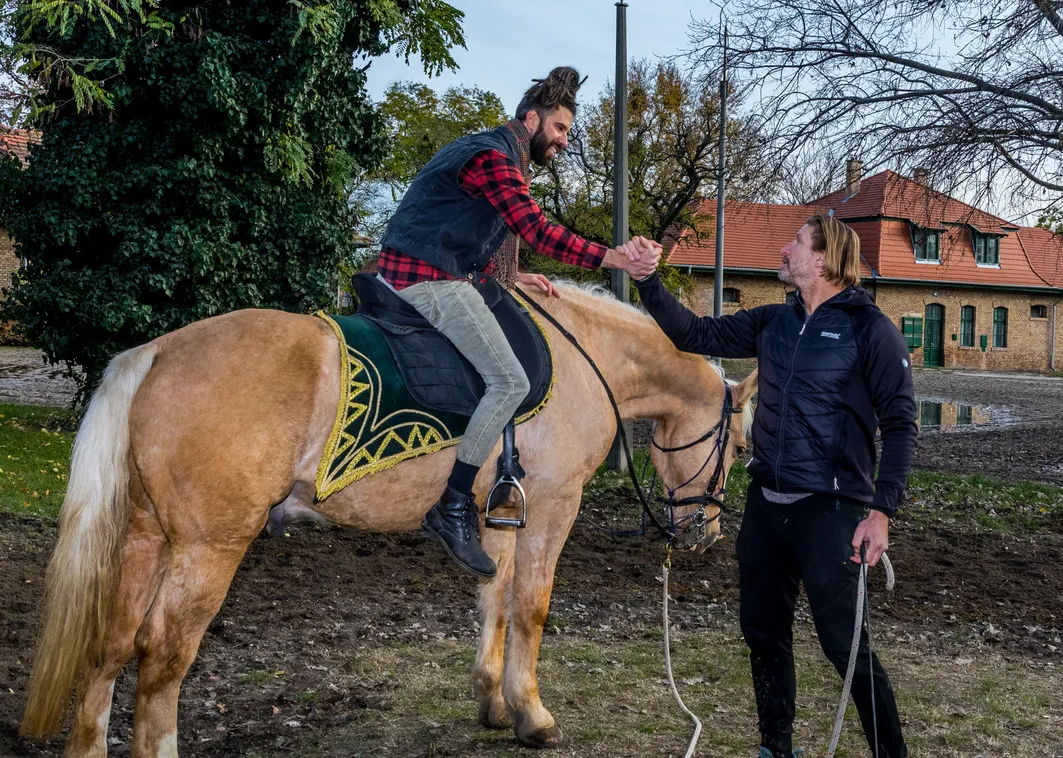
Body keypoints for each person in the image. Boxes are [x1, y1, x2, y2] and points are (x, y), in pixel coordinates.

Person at [632, 215, 917, 758]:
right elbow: (694, 333)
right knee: (762, 634)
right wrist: (649, 281)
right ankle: (776, 747)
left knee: (845, 645)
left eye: (796, 243)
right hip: (767, 503)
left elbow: (902, 424)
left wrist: (881, 511)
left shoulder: (871, 330)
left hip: (831, 509)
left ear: (824, 259)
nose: (784, 250)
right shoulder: (774, 322)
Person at [377, 67, 659, 578]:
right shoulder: (493, 158)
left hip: (432, 270)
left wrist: (511, 275)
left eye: (568, 132)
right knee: (510, 380)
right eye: (560, 129)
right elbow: (537, 228)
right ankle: (454, 503)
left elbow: (472, 228)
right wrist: (614, 258)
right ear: (531, 120)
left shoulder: (490, 154)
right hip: (426, 280)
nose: (564, 142)